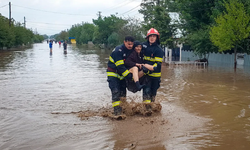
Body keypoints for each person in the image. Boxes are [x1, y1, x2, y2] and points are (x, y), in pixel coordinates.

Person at [107, 36, 134, 117]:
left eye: (131, 44)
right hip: (113, 74)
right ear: (124, 42)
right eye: (128, 44)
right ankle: (117, 113)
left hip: (121, 76)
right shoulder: (118, 51)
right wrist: (130, 76)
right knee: (115, 92)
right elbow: (120, 67)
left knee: (123, 93)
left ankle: (123, 109)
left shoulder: (129, 51)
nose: (130, 46)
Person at [142, 28, 164, 104]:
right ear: (147, 37)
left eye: (154, 36)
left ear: (157, 38)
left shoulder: (159, 50)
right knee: (146, 92)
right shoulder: (143, 46)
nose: (152, 38)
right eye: (150, 36)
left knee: (153, 95)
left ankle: (152, 108)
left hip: (155, 77)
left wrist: (147, 66)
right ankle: (146, 110)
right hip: (146, 75)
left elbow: (157, 66)